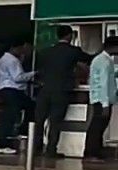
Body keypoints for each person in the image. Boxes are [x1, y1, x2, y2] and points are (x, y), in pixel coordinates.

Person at [35, 25, 92, 158]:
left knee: (39, 121)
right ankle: (50, 150)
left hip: (44, 90)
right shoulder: (73, 51)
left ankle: (36, 148)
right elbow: (89, 59)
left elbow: (41, 70)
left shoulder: (45, 51)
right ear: (70, 36)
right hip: (61, 91)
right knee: (55, 121)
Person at [0, 39, 34, 154]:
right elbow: (18, 77)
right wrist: (33, 74)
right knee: (12, 116)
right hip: (12, 91)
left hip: (5, 90)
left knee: (11, 115)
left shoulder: (4, 58)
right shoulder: (12, 60)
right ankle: (5, 142)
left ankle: (14, 135)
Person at [85, 35, 118, 159]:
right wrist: (105, 104)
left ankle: (95, 150)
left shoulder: (103, 59)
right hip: (101, 99)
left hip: (100, 98)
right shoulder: (104, 61)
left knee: (98, 126)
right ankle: (92, 152)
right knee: (97, 126)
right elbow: (104, 83)